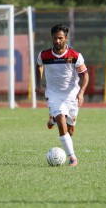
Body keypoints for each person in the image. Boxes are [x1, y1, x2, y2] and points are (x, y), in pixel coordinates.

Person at [35, 24, 89, 167]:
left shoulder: (75, 56)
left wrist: (81, 92)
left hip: (71, 95)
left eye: (60, 38)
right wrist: (38, 85)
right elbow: (39, 65)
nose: (57, 41)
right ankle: (73, 158)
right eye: (55, 38)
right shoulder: (44, 55)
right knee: (61, 119)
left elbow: (85, 76)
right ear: (51, 38)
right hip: (53, 94)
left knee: (70, 131)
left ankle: (52, 119)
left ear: (66, 38)